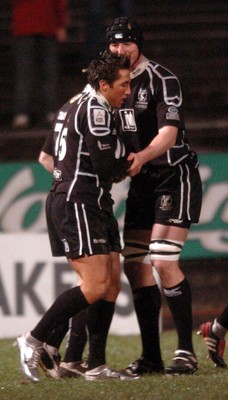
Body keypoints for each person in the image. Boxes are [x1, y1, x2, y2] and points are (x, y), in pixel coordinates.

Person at [55, 17, 202, 377]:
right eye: (115, 45)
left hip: (172, 175)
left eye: (127, 44)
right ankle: (151, 356)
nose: (121, 50)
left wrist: (140, 158)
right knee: (136, 266)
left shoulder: (161, 79)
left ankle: (185, 351)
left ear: (140, 44)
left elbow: (169, 132)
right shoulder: (109, 86)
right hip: (143, 181)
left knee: (163, 261)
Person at [15, 51, 136, 383]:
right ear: (103, 84)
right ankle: (34, 339)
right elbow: (106, 167)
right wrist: (133, 162)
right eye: (123, 85)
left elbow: (45, 156)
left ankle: (93, 364)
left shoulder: (71, 103)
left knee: (109, 282)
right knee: (96, 284)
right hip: (78, 202)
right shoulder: (95, 110)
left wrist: (71, 176)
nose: (127, 92)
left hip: (90, 200)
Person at [11, 0, 67, 129]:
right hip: (36, 25)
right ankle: (28, 112)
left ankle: (26, 113)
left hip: (37, 26)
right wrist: (61, 23)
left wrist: (60, 23)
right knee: (38, 73)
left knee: (44, 73)